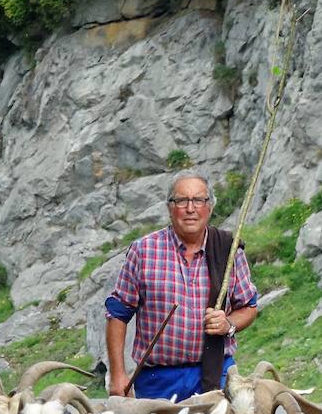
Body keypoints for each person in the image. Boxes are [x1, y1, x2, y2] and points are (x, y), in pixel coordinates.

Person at [105, 170, 260, 400]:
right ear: (170, 207)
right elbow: (117, 313)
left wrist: (228, 324)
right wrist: (118, 375)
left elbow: (249, 307)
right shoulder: (144, 251)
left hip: (216, 375)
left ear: (210, 207)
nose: (190, 208)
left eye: (198, 200)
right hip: (158, 382)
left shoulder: (229, 250)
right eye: (181, 200)